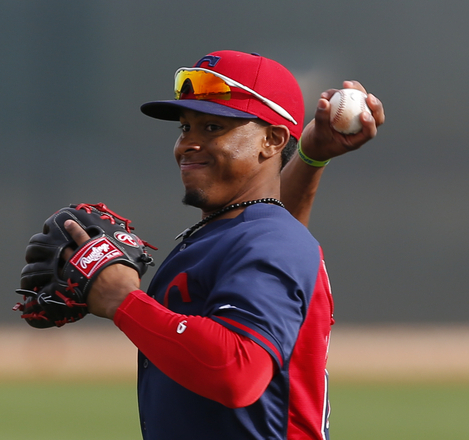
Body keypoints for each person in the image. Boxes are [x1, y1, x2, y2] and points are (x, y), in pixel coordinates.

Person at [65, 50, 384, 440]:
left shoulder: (272, 240)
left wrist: (124, 301)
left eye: (213, 128)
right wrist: (309, 157)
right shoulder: (242, 234)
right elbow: (268, 225)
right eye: (185, 127)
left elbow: (238, 371)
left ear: (272, 139)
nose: (188, 144)